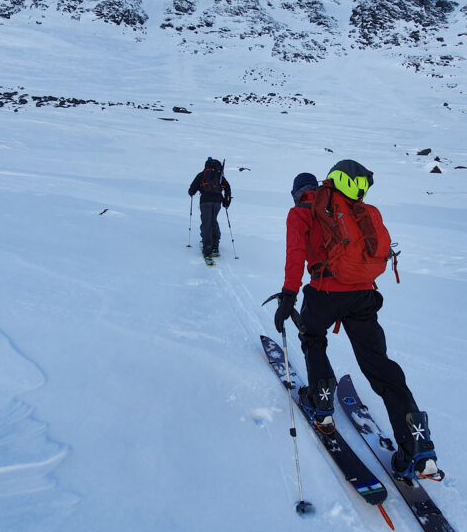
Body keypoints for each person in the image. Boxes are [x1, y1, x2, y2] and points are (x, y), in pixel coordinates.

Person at [272, 160, 441, 481]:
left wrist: (288, 296)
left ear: (297, 195)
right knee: (378, 364)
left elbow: (295, 255)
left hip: (324, 292)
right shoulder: (348, 207)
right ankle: (417, 444)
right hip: (363, 294)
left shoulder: (299, 213)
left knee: (312, 338)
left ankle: (322, 406)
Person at [188, 157, 232, 261]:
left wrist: (192, 192)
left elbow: (192, 188)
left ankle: (207, 249)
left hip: (205, 201)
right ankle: (215, 246)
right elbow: (227, 187)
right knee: (213, 221)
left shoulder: (203, 174)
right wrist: (227, 201)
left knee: (206, 223)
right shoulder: (220, 175)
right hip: (217, 202)